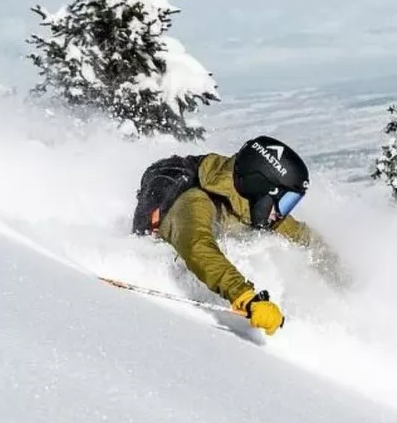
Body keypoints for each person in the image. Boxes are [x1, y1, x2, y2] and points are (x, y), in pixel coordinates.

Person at [131, 135, 337, 335]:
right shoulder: (195, 202)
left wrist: (347, 279)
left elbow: (303, 237)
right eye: (283, 201)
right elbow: (198, 246)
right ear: (260, 188)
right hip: (168, 241)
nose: (281, 213)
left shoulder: (256, 206)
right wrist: (245, 297)